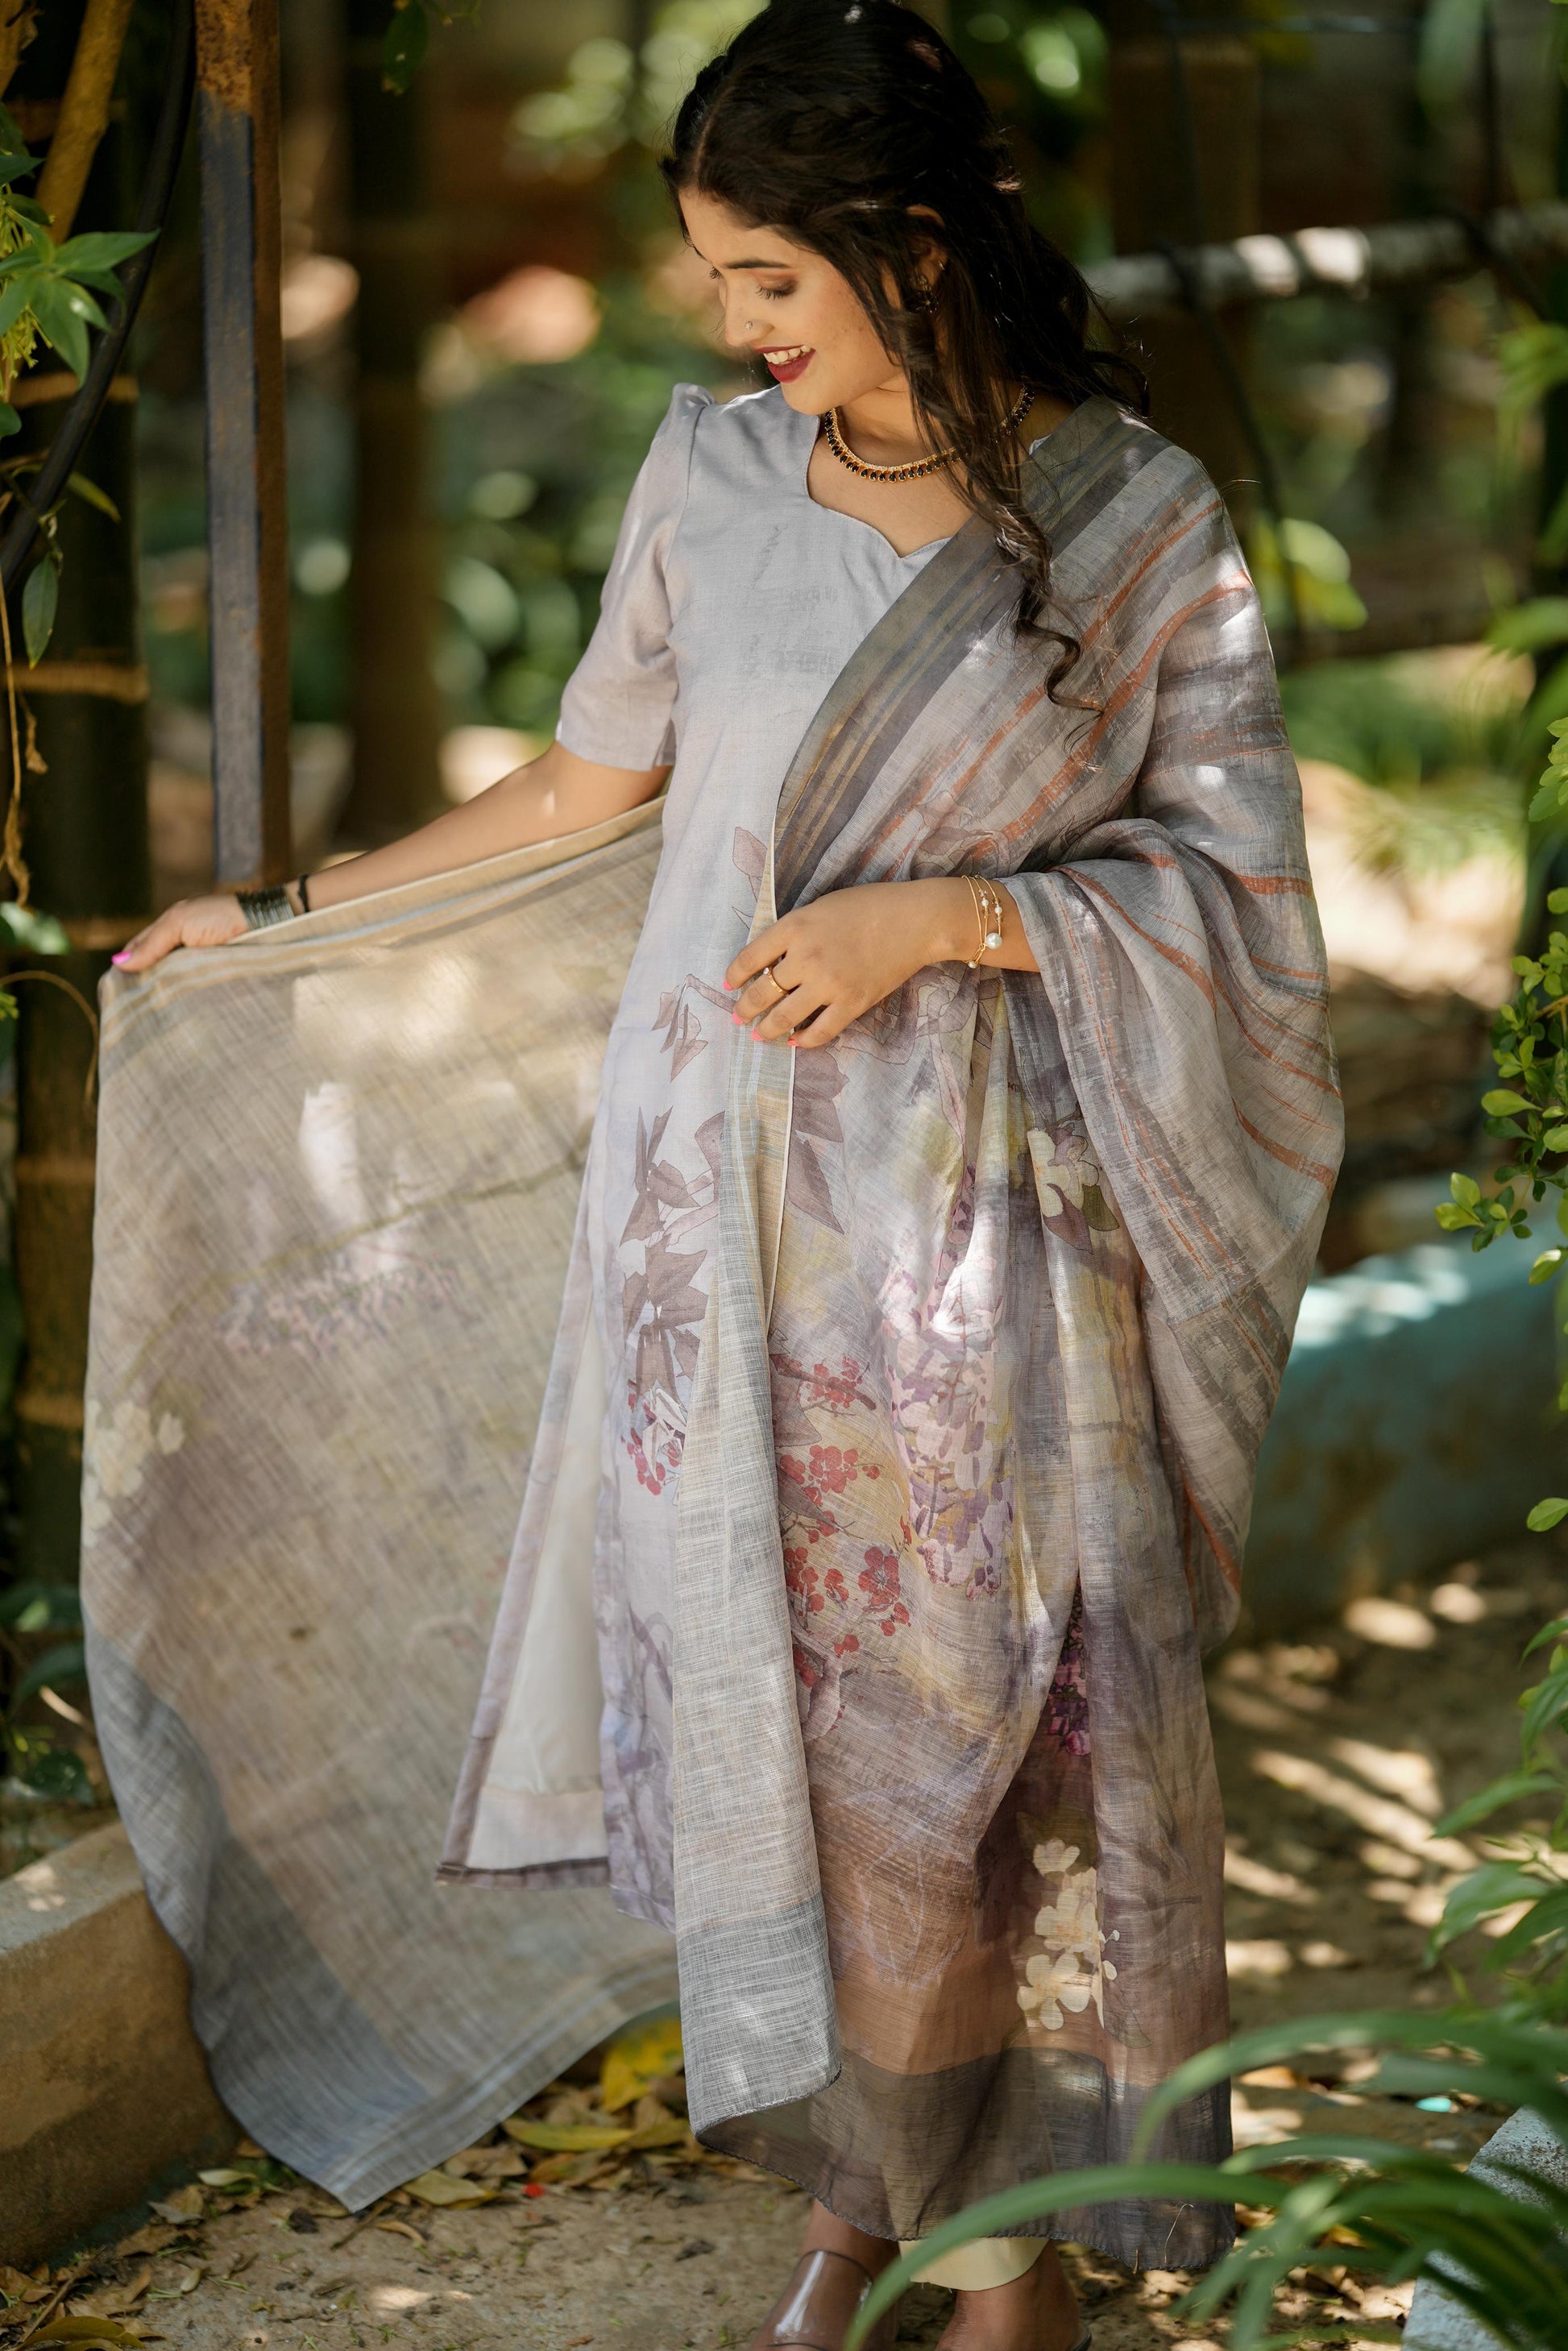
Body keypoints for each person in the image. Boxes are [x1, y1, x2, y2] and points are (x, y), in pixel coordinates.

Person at [118, 4, 1341, 2346]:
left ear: (912, 244)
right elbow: (585, 790)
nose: (735, 325)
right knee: (803, 1728)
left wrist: (946, 919)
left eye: (771, 277)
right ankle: (864, 2212)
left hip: (992, 1229)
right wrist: (273, 915)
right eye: (714, 279)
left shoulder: (1131, 523)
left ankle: (1008, 2255)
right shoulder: (710, 476)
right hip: (723, 1222)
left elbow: (1243, 901)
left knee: (982, 1724)